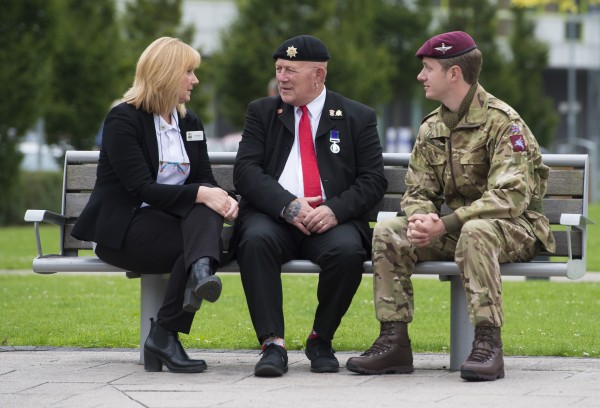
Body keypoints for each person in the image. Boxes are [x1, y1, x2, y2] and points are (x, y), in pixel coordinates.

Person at [345, 31, 555, 381]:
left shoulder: (503, 123)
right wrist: (421, 218)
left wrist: (446, 223)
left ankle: (488, 344)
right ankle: (393, 342)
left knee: (476, 231)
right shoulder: (433, 127)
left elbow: (510, 198)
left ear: (454, 73)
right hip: (458, 228)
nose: (420, 76)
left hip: (513, 228)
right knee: (390, 232)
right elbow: (417, 190)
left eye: (428, 68)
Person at [71, 37, 238, 373]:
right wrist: (202, 195)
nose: (195, 80)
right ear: (165, 74)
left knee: (203, 223)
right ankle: (186, 297)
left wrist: (221, 199)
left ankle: (164, 333)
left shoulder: (189, 123)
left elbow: (203, 178)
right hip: (126, 227)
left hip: (176, 226)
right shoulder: (123, 119)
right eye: (189, 72)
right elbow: (141, 188)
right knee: (203, 240)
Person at [232, 35, 388, 377]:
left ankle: (321, 339)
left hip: (330, 218)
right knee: (255, 241)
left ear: (318, 74)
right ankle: (272, 344)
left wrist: (334, 210)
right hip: (275, 217)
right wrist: (287, 205)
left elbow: (373, 180)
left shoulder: (356, 117)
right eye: (279, 69)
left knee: (347, 252)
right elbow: (246, 172)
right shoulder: (262, 112)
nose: (282, 78)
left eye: (290, 70)